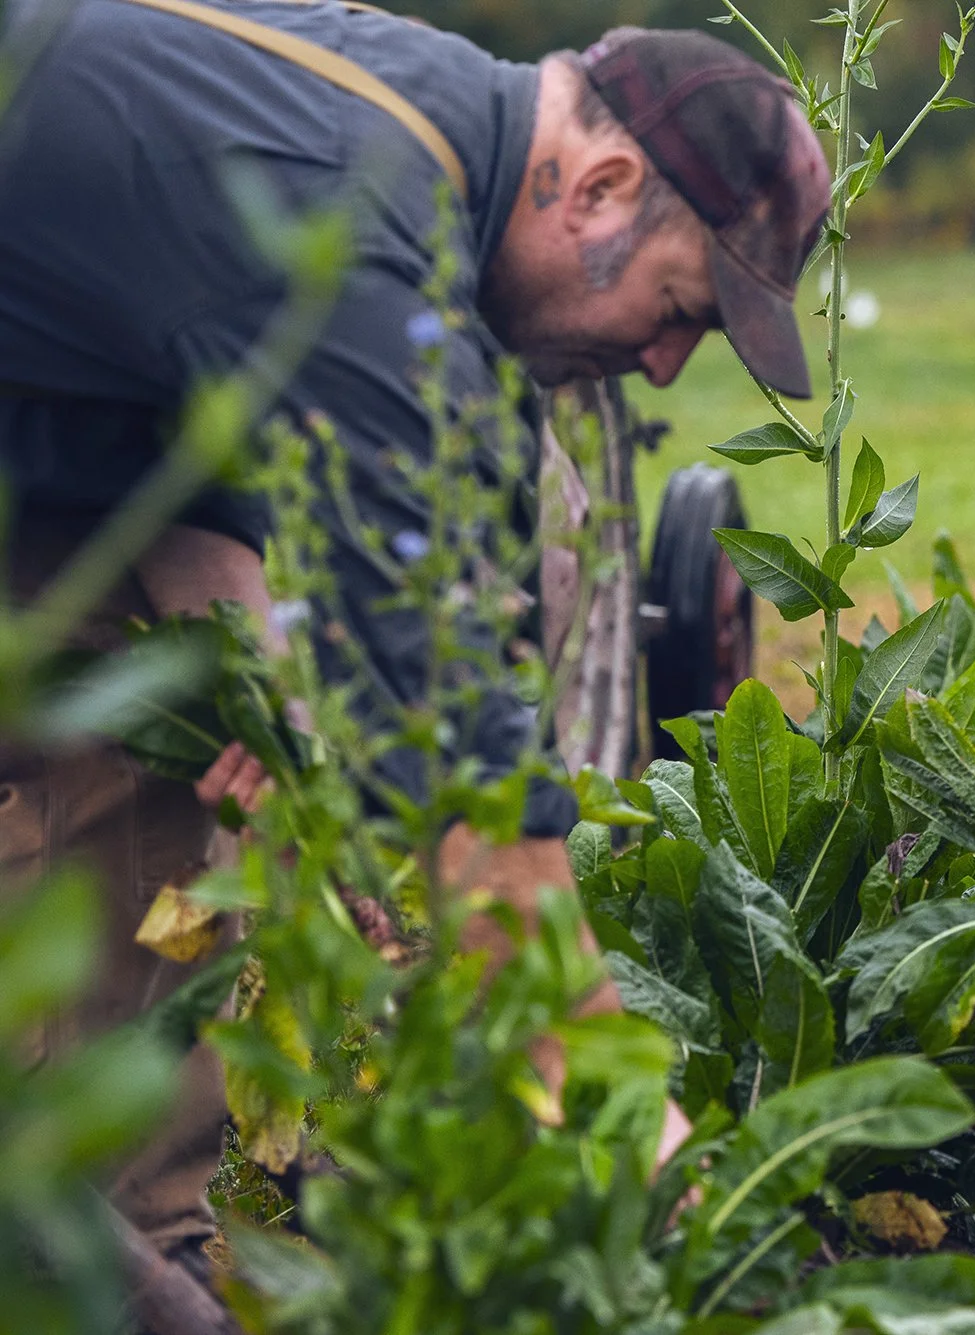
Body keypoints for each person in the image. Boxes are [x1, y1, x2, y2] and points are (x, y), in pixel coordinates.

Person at [0, 0, 829, 1304]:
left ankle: (133, 1244)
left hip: (52, 461)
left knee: (162, 759)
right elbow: (460, 750)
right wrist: (616, 1108)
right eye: (680, 307)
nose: (665, 368)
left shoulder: (418, 145)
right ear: (601, 188)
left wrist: (284, 718)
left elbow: (188, 469)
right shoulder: (356, 227)